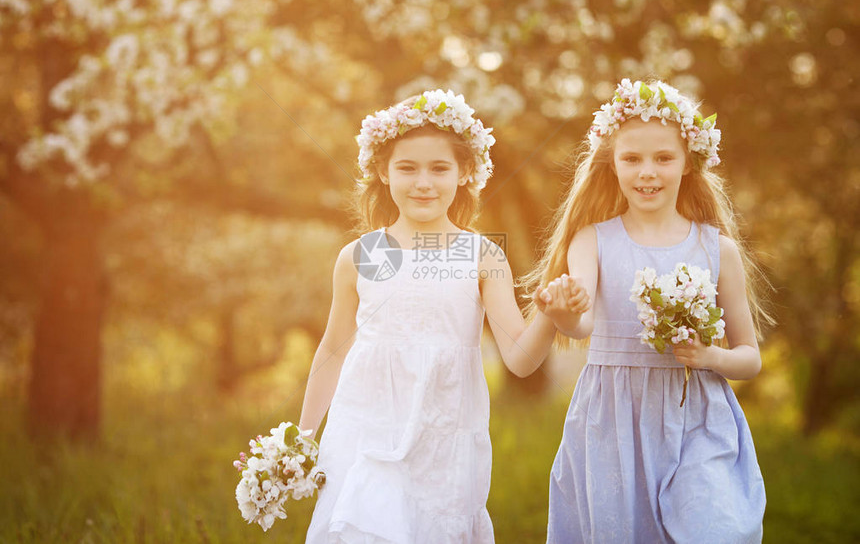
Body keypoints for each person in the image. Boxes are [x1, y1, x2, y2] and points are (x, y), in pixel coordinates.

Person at [298, 89, 583, 543]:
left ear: (465, 172)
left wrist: (549, 317)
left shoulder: (483, 257)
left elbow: (521, 360)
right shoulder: (358, 257)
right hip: (365, 430)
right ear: (382, 171)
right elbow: (331, 353)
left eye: (439, 168)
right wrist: (303, 438)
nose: (423, 182)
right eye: (407, 168)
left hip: (444, 440)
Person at [525, 79, 773, 543]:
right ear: (613, 164)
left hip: (697, 418)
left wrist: (711, 357)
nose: (647, 172)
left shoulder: (717, 250)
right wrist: (562, 313)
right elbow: (581, 324)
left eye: (663, 158)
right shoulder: (593, 240)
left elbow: (750, 356)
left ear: (688, 163)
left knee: (715, 530)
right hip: (613, 422)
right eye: (632, 159)